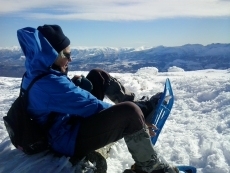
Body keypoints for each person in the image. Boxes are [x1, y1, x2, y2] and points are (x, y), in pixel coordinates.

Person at [17, 24, 179, 173]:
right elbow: (91, 106)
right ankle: (150, 167)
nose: (70, 59)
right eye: (67, 54)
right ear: (51, 55)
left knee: (97, 76)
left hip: (66, 122)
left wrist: (74, 84)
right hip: (64, 139)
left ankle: (137, 107)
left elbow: (59, 96)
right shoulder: (49, 83)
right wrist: (137, 119)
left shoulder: (41, 70)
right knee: (129, 112)